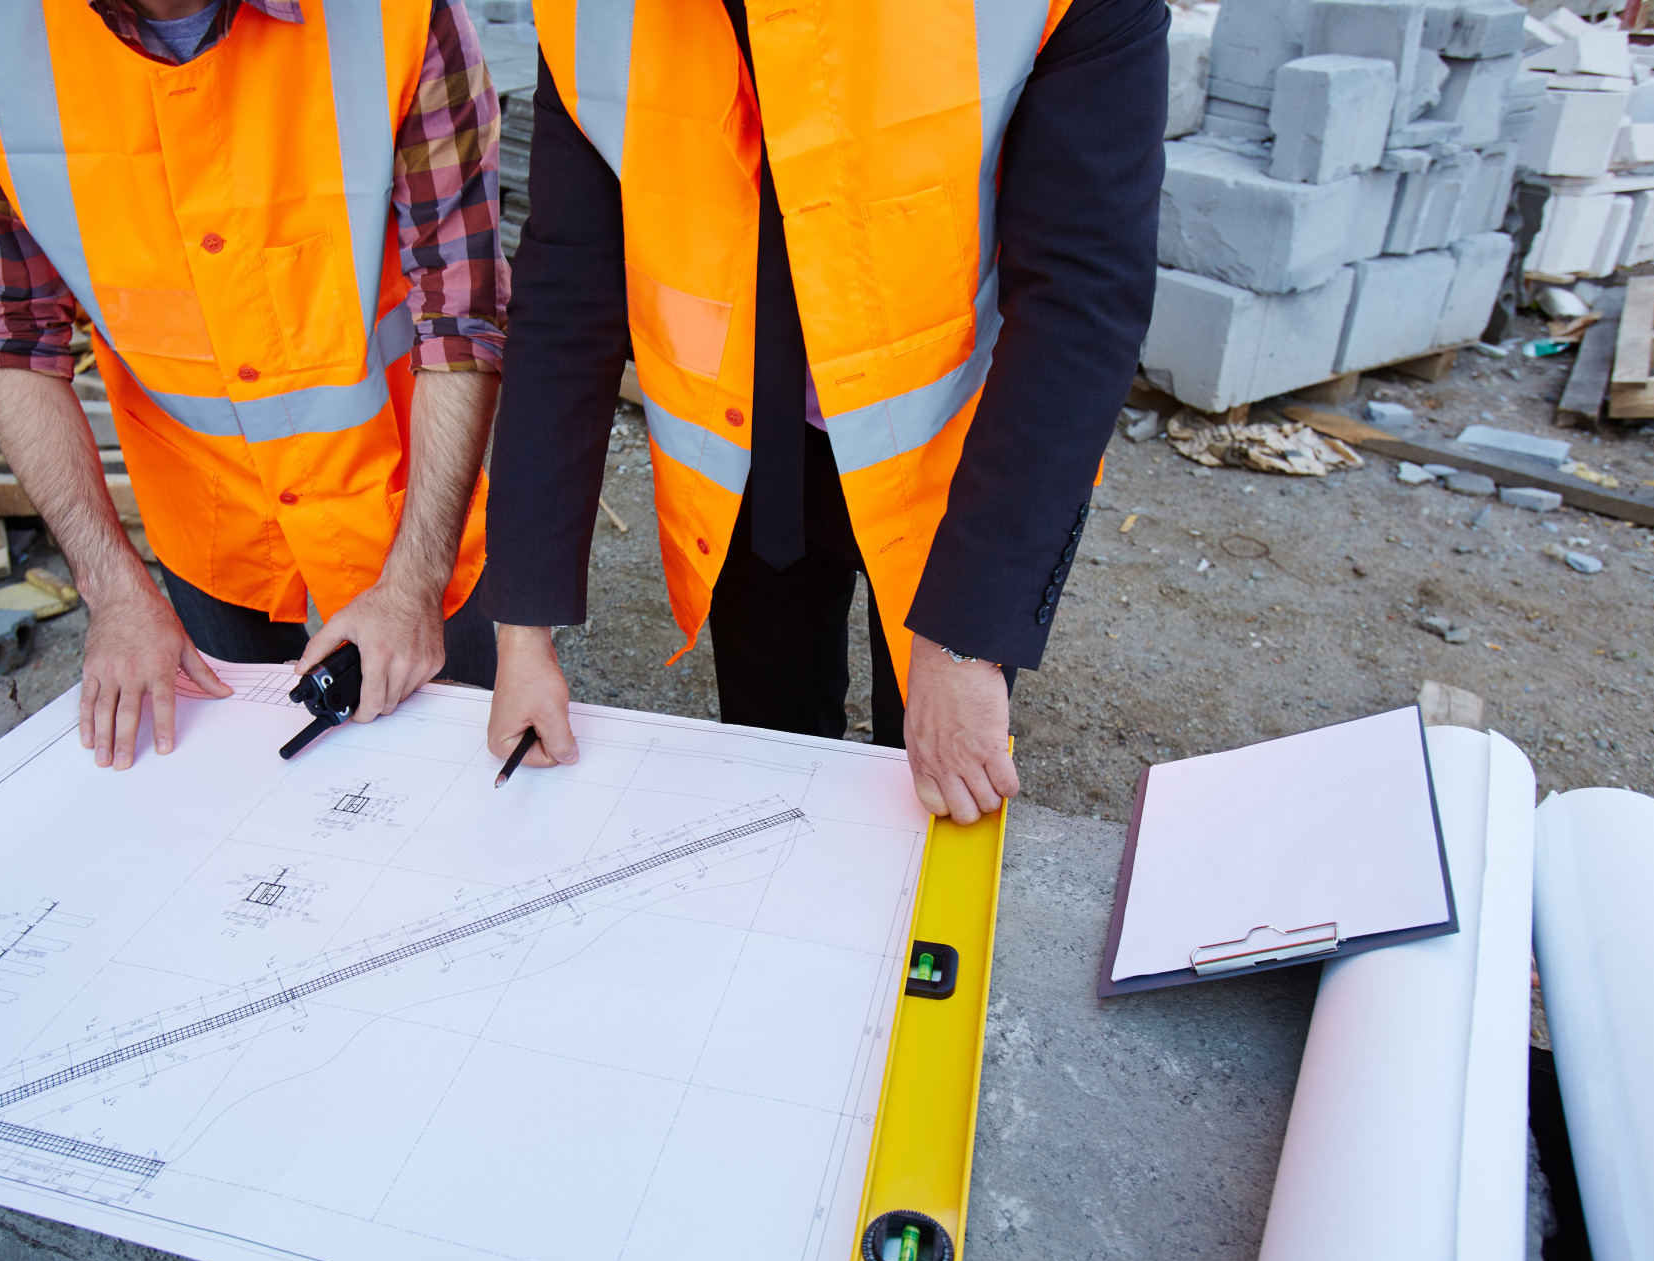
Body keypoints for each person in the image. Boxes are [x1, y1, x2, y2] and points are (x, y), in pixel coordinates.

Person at [478, 0, 1166, 823]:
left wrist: (969, 639)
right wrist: (523, 624)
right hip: (744, 458)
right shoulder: (597, 13)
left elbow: (1083, 295)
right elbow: (564, 293)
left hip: (949, 463)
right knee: (773, 782)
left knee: (922, 794)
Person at [0, 0, 507, 769]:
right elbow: (10, 338)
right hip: (206, 528)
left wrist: (415, 580)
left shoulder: (393, 15)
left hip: (401, 508)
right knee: (249, 801)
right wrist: (114, 589)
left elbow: (462, 312)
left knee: (450, 787)